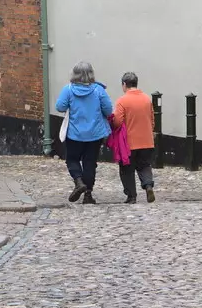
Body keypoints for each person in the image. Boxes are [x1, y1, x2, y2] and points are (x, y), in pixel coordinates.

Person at [56, 62, 112, 204]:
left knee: (72, 159)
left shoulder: (68, 90)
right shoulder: (99, 90)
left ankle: (78, 181)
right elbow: (108, 110)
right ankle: (88, 194)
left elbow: (60, 107)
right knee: (90, 163)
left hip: (74, 134)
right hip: (94, 134)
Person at [111, 72, 157, 203]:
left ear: (124, 84)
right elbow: (152, 120)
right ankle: (148, 185)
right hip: (147, 141)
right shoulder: (147, 99)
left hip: (129, 143)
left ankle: (131, 196)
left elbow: (117, 122)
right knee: (144, 165)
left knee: (127, 169)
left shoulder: (122, 101)